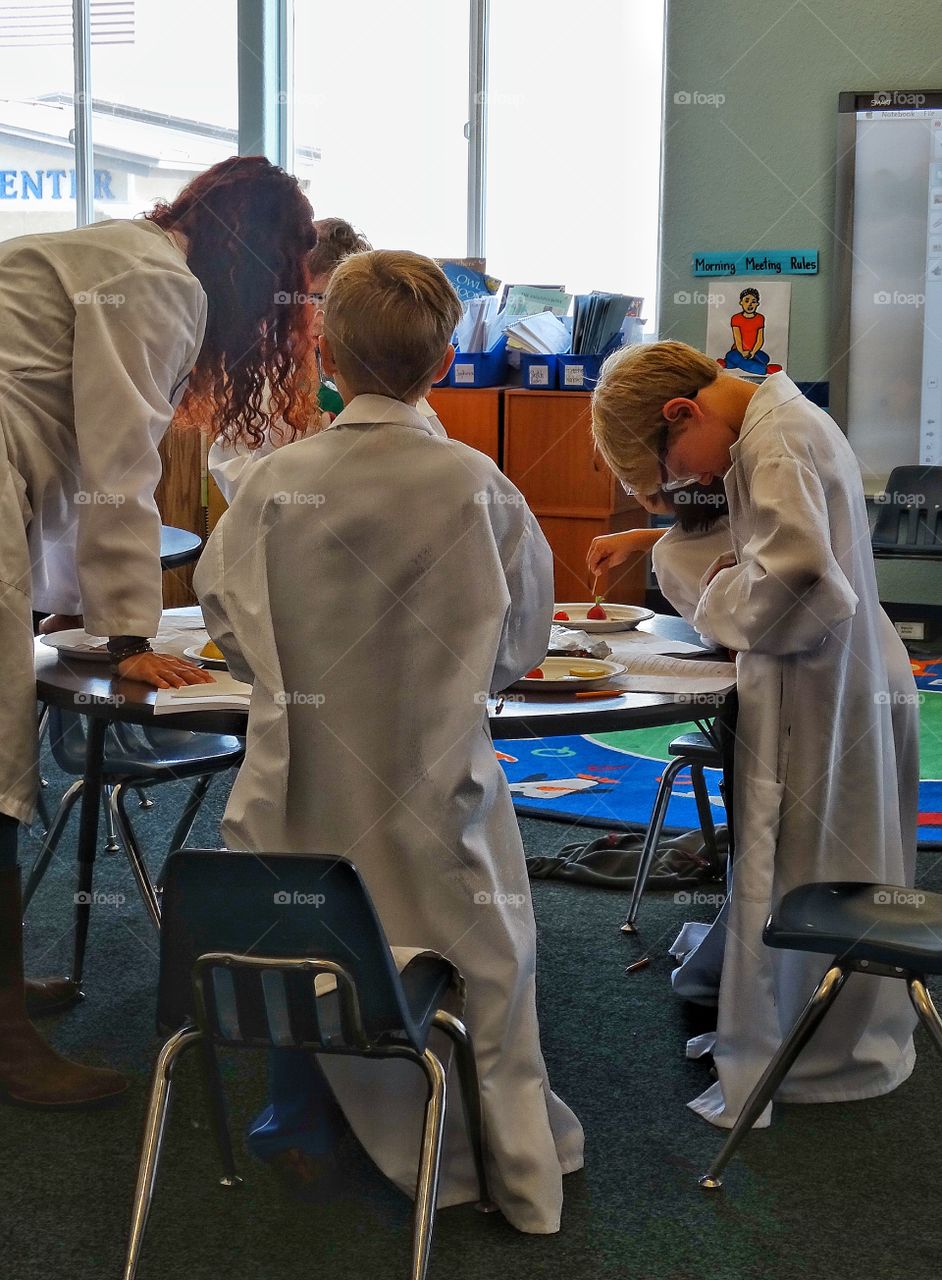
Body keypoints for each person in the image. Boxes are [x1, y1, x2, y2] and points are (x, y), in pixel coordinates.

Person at [195, 249, 584, 1230]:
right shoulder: (477, 483)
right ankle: (507, 1163)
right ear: (448, 360)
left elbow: (223, 614)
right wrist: (455, 684)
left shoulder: (277, 484)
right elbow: (525, 637)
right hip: (441, 798)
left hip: (302, 806)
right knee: (491, 953)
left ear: (325, 351)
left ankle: (306, 1124)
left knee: (314, 946)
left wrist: (285, 679)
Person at [0, 154, 318, 1106]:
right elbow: (117, 462)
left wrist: (76, 605)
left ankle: (2, 998)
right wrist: (131, 631)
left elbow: (62, 448)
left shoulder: (120, 253)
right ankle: (7, 1043)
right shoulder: (152, 282)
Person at [590, 340, 919, 1128]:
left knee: (812, 854)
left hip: (820, 680)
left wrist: (709, 593)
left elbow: (796, 575)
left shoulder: (775, 438)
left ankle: (818, 1047)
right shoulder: (775, 417)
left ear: (682, 412)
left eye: (674, 471)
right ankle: (793, 1019)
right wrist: (688, 555)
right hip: (838, 673)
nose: (694, 484)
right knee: (815, 851)